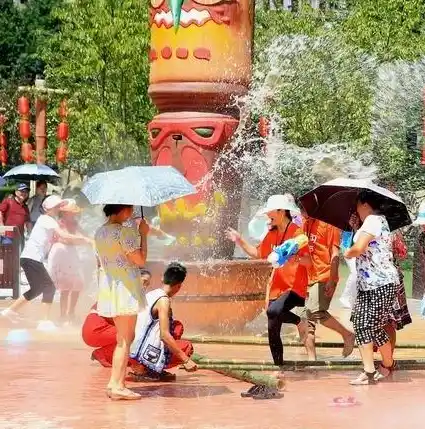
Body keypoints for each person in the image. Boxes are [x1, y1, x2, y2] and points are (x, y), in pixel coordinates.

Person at [226, 195, 310, 381]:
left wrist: (292, 257)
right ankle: (279, 366)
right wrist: (239, 240)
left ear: (281, 211)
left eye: (270, 212)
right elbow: (258, 254)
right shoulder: (271, 234)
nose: (267, 216)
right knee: (273, 325)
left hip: (295, 287)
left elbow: (309, 261)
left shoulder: (298, 234)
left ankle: (299, 322)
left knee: (273, 311)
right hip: (276, 287)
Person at [0, 195, 91, 330]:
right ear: (49, 208)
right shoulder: (48, 220)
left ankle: (10, 311)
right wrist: (84, 239)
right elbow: (64, 235)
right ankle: (44, 321)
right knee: (49, 286)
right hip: (32, 258)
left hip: (29, 258)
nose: (59, 208)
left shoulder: (47, 220)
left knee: (37, 288)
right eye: (57, 206)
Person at [95, 204, 149, 401]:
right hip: (125, 287)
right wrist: (143, 234)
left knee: (124, 337)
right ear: (123, 210)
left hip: (111, 286)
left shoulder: (100, 232)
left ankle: (114, 382)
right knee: (125, 339)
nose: (132, 212)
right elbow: (141, 260)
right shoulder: (124, 232)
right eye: (130, 209)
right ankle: (118, 385)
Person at [344, 190, 399, 385]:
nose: (355, 209)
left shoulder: (373, 221)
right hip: (374, 284)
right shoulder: (377, 221)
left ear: (365, 204)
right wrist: (354, 228)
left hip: (378, 282)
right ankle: (388, 363)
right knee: (372, 327)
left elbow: (359, 248)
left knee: (362, 325)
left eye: (357, 205)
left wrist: (347, 253)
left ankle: (369, 372)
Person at [300, 209, 355, 361]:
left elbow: (335, 253)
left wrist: (332, 279)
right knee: (305, 320)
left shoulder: (329, 224)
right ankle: (312, 361)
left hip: (324, 275)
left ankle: (347, 334)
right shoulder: (304, 223)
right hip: (308, 277)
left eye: (304, 209)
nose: (301, 212)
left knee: (316, 312)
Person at [130, 263, 197, 378]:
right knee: (186, 347)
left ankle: (145, 368)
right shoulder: (163, 301)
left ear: (162, 278)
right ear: (179, 286)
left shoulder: (152, 294)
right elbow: (164, 335)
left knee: (176, 327)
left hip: (132, 350)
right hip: (141, 356)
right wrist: (186, 360)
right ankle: (145, 370)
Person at [47, 199, 94, 325]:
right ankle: (63, 315)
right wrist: (83, 240)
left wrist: (90, 239)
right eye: (71, 212)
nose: (74, 214)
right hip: (62, 254)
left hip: (72, 253)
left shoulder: (75, 223)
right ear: (65, 213)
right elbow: (65, 238)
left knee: (78, 283)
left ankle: (71, 313)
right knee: (65, 286)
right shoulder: (60, 223)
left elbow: (83, 235)